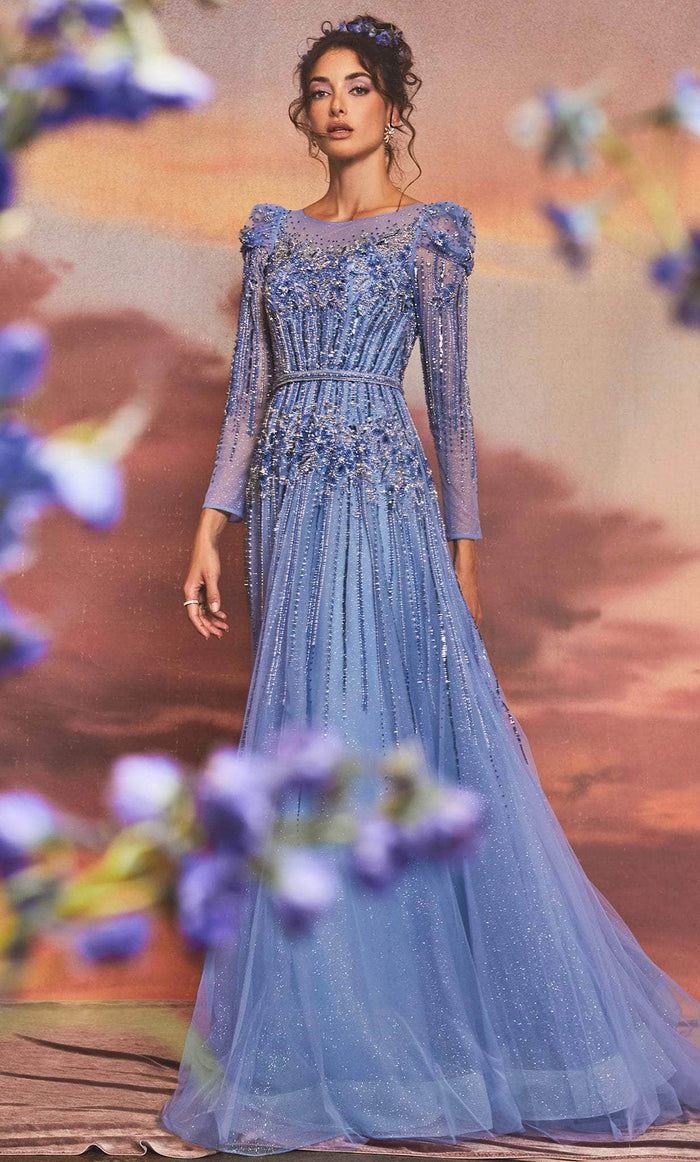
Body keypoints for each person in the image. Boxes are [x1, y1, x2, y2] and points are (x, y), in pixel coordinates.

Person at [159, 14, 700, 1156]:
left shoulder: (429, 237)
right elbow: (246, 399)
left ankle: (424, 1045)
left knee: (384, 738)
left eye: (358, 86)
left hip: (383, 510)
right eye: (320, 89)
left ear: (392, 107)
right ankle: (326, 1043)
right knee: (308, 745)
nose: (338, 105)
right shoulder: (271, 238)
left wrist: (463, 564)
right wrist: (211, 526)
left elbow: (452, 411)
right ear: (303, 113)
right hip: (289, 514)